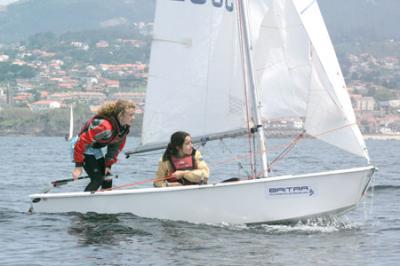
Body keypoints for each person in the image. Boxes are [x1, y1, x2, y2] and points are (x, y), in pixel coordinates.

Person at [72, 100, 136, 192]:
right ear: (120, 115)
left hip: (94, 148)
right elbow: (82, 141)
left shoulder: (123, 129)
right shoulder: (105, 127)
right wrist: (78, 166)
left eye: (134, 115)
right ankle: (82, 204)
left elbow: (114, 149)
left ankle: (104, 204)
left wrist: (108, 166)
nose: (133, 118)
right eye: (130, 115)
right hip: (80, 146)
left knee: (107, 178)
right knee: (97, 179)